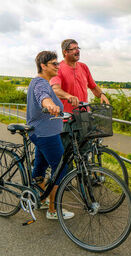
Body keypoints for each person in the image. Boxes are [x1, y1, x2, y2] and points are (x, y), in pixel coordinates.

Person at [26, 51, 74, 220]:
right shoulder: (41, 83)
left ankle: (42, 198)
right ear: (43, 65)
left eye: (58, 63)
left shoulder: (41, 81)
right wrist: (50, 105)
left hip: (41, 133)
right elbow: (43, 97)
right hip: (46, 134)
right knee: (60, 168)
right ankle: (53, 210)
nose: (58, 66)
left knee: (40, 168)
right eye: (54, 64)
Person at [50, 38, 109, 113]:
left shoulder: (84, 67)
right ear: (65, 52)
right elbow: (55, 90)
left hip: (84, 115)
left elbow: (93, 86)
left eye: (78, 48)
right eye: (74, 49)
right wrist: (69, 96)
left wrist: (101, 94)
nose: (78, 51)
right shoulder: (58, 68)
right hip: (67, 117)